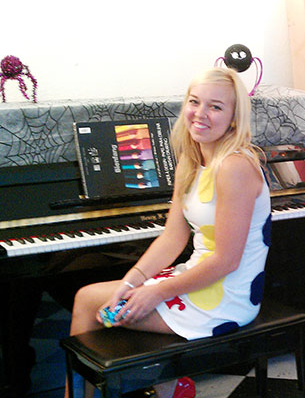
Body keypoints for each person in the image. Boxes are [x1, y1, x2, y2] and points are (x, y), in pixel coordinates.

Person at [66, 67, 271, 398]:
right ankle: (168, 385)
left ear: (234, 118)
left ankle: (160, 385)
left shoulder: (234, 166)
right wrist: (131, 283)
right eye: (194, 102)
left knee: (88, 300)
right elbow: (173, 238)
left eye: (216, 106)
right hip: (197, 276)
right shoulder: (191, 160)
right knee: (110, 298)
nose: (200, 113)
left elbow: (227, 261)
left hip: (226, 294)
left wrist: (157, 292)